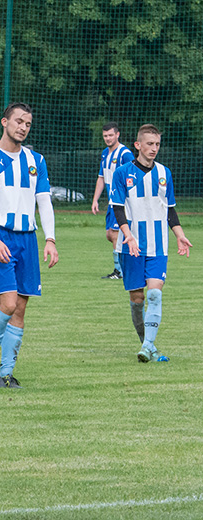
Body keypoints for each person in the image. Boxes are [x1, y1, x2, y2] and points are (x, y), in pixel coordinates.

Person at [0, 103, 59, 388]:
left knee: (20, 307)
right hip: (0, 238)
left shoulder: (36, 160)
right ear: (4, 122)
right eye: (19, 121)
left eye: (28, 123)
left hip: (27, 240)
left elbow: (44, 201)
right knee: (7, 304)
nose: (23, 127)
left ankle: (6, 372)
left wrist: (50, 239)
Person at [109, 124, 192, 362]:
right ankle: (149, 346)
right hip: (131, 246)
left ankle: (147, 347)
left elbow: (170, 211)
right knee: (137, 299)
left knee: (155, 294)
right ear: (138, 145)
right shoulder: (123, 173)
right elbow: (118, 207)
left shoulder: (165, 173)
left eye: (157, 144)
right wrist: (128, 234)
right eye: (149, 144)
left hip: (158, 246)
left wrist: (179, 234)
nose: (154, 148)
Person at [91, 122, 135, 279]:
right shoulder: (105, 154)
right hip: (111, 202)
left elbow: (133, 176)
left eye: (110, 135)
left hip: (121, 202)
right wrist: (95, 199)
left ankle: (120, 271)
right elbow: (101, 178)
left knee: (116, 234)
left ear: (117, 135)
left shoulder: (125, 154)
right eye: (105, 136)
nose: (108, 138)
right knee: (110, 235)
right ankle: (125, 265)